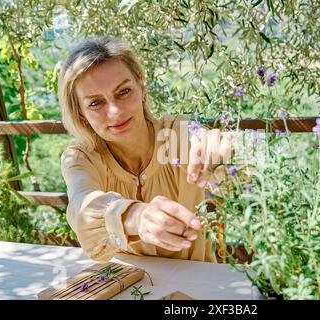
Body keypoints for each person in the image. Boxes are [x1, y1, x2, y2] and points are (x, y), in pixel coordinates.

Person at [59, 37, 232, 263]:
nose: (115, 112)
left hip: (198, 284)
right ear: (81, 112)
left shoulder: (177, 135)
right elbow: (80, 207)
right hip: (129, 288)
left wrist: (222, 151)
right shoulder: (81, 158)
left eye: (123, 91)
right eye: (95, 103)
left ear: (141, 85)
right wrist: (136, 217)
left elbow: (234, 171)